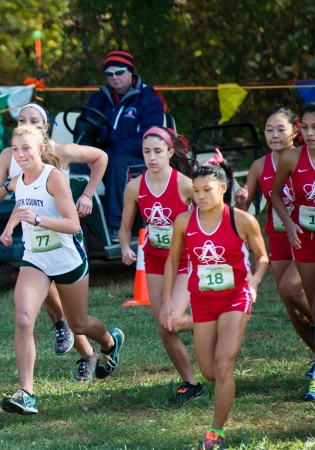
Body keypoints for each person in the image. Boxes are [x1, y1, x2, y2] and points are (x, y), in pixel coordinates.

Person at [0, 125, 125, 415]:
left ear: (41, 149)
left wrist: (40, 219)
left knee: (78, 324)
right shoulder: (17, 181)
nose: (20, 155)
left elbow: (72, 224)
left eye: (26, 148)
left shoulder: (53, 177)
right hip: (35, 260)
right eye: (15, 149)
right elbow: (21, 208)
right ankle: (27, 393)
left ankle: (109, 342)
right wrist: (9, 227)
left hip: (67, 258)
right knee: (23, 319)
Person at [0, 103, 108, 381]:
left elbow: (100, 157)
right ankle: (28, 388)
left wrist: (87, 194)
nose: (28, 123)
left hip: (64, 241)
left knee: (76, 319)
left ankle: (97, 346)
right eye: (22, 120)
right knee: (30, 312)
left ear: (46, 128)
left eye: (35, 120)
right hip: (36, 249)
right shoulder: (10, 155)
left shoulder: (60, 153)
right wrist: (8, 190)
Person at [161, 151, 268, 449]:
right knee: (209, 372)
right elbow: (172, 262)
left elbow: (262, 258)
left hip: (236, 296)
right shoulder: (184, 221)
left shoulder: (242, 220)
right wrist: (169, 299)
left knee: (223, 365)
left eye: (206, 190)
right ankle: (210, 328)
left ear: (223, 188)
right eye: (196, 191)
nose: (200, 196)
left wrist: (254, 281)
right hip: (203, 300)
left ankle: (215, 431)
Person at [119, 127, 200, 403]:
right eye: (146, 152)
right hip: (154, 259)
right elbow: (124, 228)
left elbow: (213, 214)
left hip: (186, 259)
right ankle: (190, 383)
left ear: (170, 152)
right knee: (164, 327)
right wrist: (125, 248)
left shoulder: (185, 184)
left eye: (157, 151)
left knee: (174, 320)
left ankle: (214, 321)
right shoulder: (134, 186)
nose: (151, 157)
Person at [235, 108, 315, 370]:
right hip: (279, 237)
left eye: (280, 129)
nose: (274, 135)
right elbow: (245, 208)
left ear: (294, 130)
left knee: (291, 289)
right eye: (269, 130)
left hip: (305, 235)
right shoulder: (259, 165)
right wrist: (240, 200)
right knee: (291, 304)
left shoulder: (301, 158)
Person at [84, 50, 165, 239]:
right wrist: (85, 154)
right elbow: (87, 131)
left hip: (138, 157)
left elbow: (148, 140)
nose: (114, 77)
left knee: (116, 163)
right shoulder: (98, 99)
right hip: (103, 155)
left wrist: (104, 155)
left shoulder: (149, 100)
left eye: (119, 71)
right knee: (72, 164)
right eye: (109, 73)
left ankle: (117, 226)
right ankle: (65, 222)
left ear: (130, 71)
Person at [271, 101, 315, 401]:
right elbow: (275, 194)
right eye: (306, 128)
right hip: (305, 240)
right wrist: (289, 224)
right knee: (310, 305)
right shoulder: (291, 158)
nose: (311, 133)